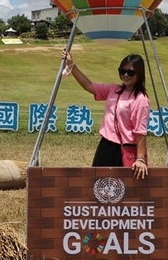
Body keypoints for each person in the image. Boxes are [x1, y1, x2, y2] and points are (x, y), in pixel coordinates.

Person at [61, 48, 150, 179]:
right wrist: (71, 64)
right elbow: (89, 85)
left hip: (125, 150)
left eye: (130, 72)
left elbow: (140, 131)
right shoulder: (113, 89)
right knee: (97, 185)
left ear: (139, 74)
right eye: (122, 71)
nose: (125, 75)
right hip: (106, 146)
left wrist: (140, 159)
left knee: (121, 190)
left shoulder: (140, 99)